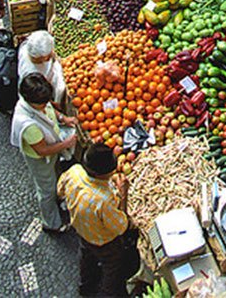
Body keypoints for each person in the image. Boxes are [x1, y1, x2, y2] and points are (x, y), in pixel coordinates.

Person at [58, 143, 137, 296]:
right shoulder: (103, 200)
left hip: (82, 231)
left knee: (86, 257)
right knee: (112, 268)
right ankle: (107, 293)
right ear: (105, 173)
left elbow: (60, 191)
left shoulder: (75, 171)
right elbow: (121, 227)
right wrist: (123, 193)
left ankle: (85, 287)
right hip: (105, 243)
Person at [11, 73, 77, 233]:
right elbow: (42, 151)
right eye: (42, 103)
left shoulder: (36, 103)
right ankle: (51, 223)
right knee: (46, 189)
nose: (46, 104)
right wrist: (66, 144)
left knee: (56, 175)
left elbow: (49, 108)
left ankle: (60, 196)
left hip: (52, 149)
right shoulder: (27, 124)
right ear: (32, 102)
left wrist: (63, 118)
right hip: (40, 159)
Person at [18, 30, 67, 106]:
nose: (52, 53)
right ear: (42, 57)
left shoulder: (26, 49)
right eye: (49, 55)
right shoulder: (31, 74)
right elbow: (38, 97)